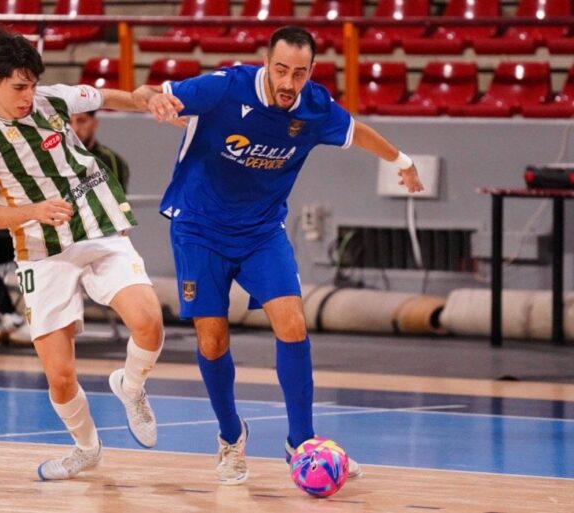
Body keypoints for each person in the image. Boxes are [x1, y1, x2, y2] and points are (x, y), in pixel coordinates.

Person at [133, 26, 424, 485]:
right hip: (199, 227)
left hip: (261, 232)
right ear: (266, 63)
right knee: (212, 339)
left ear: (311, 72)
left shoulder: (314, 107)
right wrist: (151, 98)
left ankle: (302, 444)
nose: (289, 82)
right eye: (282, 69)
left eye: (300, 72)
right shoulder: (224, 88)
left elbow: (357, 132)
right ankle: (231, 437)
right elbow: (150, 92)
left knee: (292, 323)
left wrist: (402, 161)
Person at [0, 26, 177, 480]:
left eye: (32, 83)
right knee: (59, 375)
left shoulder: (51, 99)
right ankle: (85, 448)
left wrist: (142, 98)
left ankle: (130, 387)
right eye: (18, 86)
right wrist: (35, 210)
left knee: (150, 323)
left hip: (98, 228)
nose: (28, 94)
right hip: (41, 251)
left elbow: (106, 97)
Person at [0, 110, 131, 346]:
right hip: (34, 231)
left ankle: (49, 320)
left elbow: (112, 207)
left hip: (80, 238)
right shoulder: (44, 153)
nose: (75, 128)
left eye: (82, 121)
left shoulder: (107, 159)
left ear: (95, 123)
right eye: (70, 121)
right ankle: (11, 315)